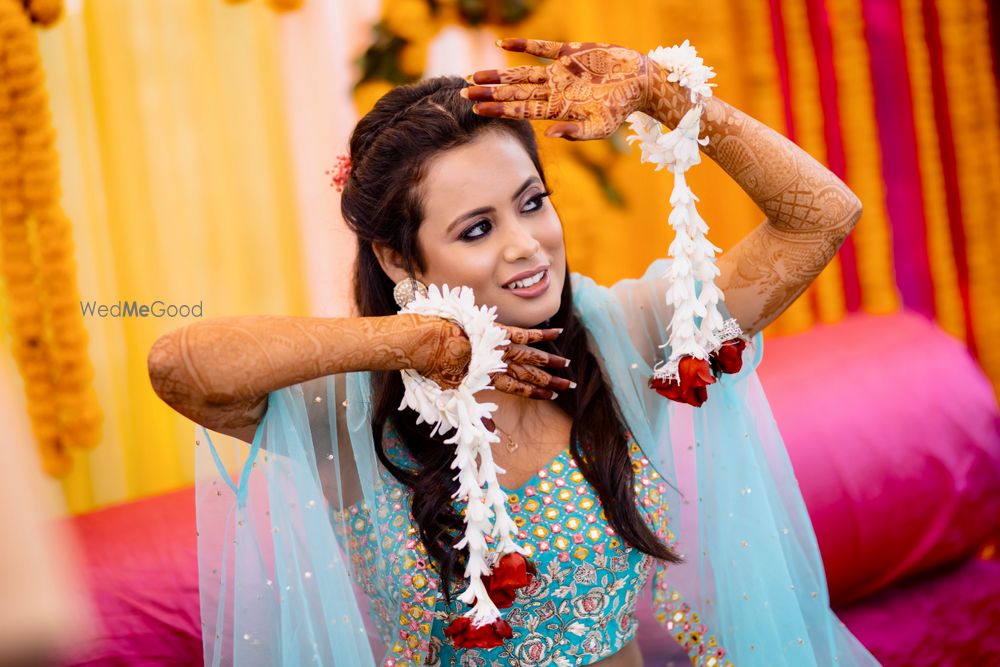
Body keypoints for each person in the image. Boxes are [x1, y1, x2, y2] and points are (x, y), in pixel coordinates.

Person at [149, 38, 879, 667]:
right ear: (399, 259)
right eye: (476, 229)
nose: (527, 244)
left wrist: (660, 93)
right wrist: (421, 342)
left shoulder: (623, 332)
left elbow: (822, 217)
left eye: (532, 202)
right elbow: (180, 366)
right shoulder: (356, 411)